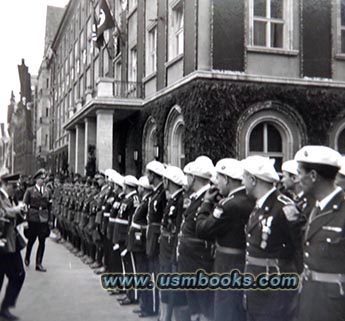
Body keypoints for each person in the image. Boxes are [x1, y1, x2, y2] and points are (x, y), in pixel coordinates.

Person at [241, 156, 302, 321]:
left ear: (253, 180)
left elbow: (300, 247)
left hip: (273, 290)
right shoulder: (259, 205)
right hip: (256, 287)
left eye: (244, 177)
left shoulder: (283, 207)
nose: (242, 182)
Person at [196, 158, 255, 321]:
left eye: (219, 179)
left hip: (226, 264)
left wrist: (207, 203)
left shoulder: (228, 204)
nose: (217, 184)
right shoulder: (251, 200)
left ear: (227, 179)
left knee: (224, 309)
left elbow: (202, 229)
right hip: (245, 262)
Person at [294, 146, 345, 321]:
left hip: (334, 306)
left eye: (300, 173)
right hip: (310, 298)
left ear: (313, 176)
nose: (297, 180)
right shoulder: (316, 208)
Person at [177, 156, 215, 321]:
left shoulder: (209, 198)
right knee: (193, 301)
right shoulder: (195, 198)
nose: (186, 180)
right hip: (189, 258)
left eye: (188, 176)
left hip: (199, 259)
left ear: (194, 177)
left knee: (203, 302)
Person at [0, 173, 26, 320]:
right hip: (3, 243)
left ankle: (5, 307)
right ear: (5, 184)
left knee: (18, 274)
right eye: (13, 186)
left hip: (10, 243)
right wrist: (14, 210)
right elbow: (2, 213)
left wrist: (20, 211)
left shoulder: (9, 197)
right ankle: (4, 309)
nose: (15, 189)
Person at [23, 169, 52, 272]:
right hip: (33, 217)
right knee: (31, 239)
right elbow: (25, 205)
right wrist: (25, 220)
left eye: (44, 178)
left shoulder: (47, 191)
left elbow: (49, 206)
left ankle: (39, 263)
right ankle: (27, 256)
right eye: (41, 178)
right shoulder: (30, 190)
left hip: (43, 218)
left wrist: (50, 220)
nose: (43, 180)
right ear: (36, 179)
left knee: (42, 240)